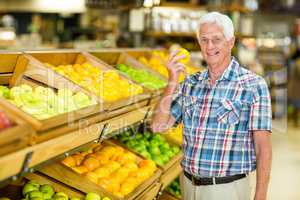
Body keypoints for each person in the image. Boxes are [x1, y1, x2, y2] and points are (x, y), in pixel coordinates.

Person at [151, 12, 272, 200]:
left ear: (230, 42)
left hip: (227, 189)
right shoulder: (191, 83)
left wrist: (261, 195)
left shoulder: (253, 85)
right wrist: (172, 82)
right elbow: (158, 126)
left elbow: (263, 147)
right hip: (189, 186)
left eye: (216, 39)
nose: (210, 46)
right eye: (204, 40)